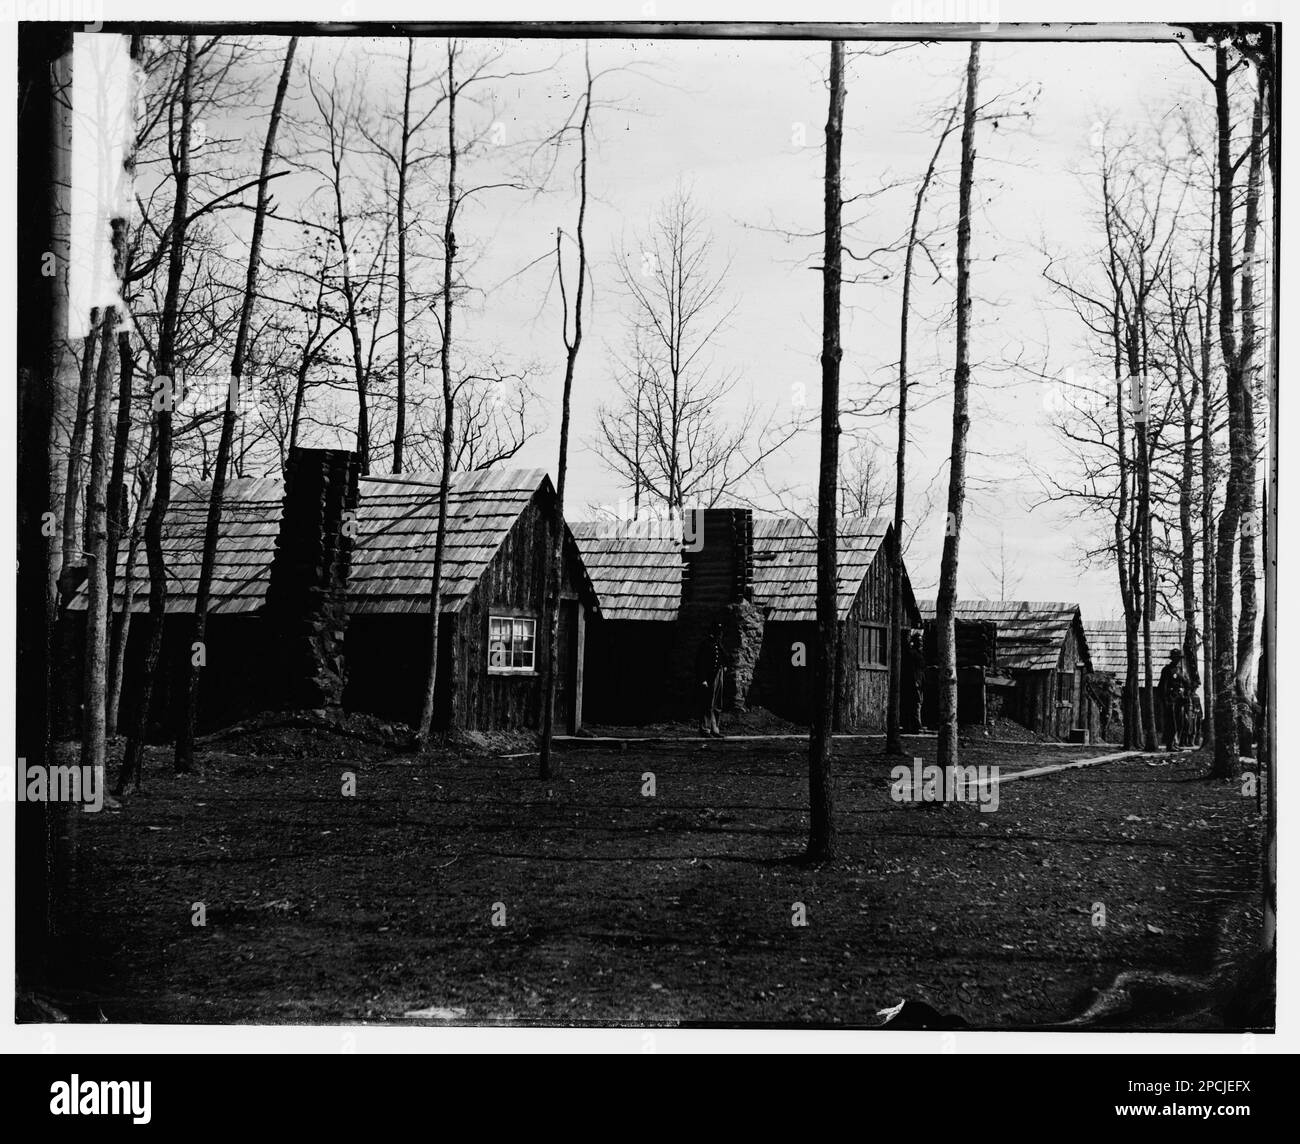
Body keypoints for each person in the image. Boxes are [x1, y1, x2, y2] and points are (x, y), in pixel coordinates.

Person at [695, 620, 727, 737]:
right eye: (718, 632)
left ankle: (715, 729)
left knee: (717, 704)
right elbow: (700, 663)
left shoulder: (718, 644)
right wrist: (703, 679)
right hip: (709, 676)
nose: (719, 634)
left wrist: (724, 666)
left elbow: (723, 656)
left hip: (718, 675)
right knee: (708, 703)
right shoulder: (706, 644)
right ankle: (705, 729)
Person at [1157, 648, 1189, 752]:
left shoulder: (1180, 670)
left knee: (1180, 722)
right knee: (1171, 723)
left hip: (1179, 699)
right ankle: (1169, 745)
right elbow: (1163, 686)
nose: (1178, 660)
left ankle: (1176, 743)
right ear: (1172, 658)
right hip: (1170, 699)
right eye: (1175, 658)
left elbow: (1186, 683)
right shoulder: (1167, 670)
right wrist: (1166, 699)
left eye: (1179, 658)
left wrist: (1185, 691)